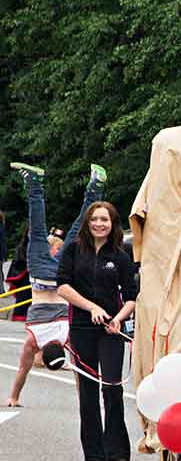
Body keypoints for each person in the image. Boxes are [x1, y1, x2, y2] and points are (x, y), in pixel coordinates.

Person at [4, 163, 106, 407]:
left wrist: (88, 399)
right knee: (37, 230)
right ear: (42, 353)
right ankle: (34, 181)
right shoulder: (33, 340)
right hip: (41, 278)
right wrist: (13, 396)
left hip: (63, 278)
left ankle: (96, 189)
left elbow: (80, 373)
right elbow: (22, 372)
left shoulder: (67, 337)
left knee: (78, 231)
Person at [57, 200, 137, 461]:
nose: (99, 224)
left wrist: (117, 319)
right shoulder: (72, 251)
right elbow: (63, 287)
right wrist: (91, 307)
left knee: (112, 387)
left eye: (105, 220)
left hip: (110, 331)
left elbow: (131, 298)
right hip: (82, 328)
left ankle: (118, 453)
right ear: (87, 223)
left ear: (112, 223)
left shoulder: (121, 255)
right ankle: (93, 454)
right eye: (95, 219)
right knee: (87, 391)